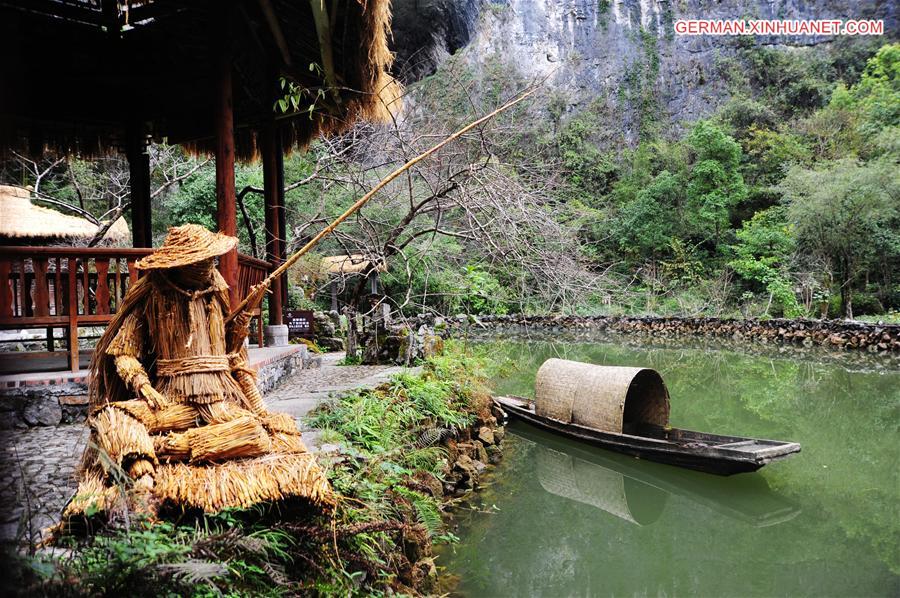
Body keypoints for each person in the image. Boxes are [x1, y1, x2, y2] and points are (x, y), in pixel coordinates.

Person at [63, 224, 331, 522]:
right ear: (180, 264)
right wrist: (142, 385)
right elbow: (123, 351)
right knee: (114, 418)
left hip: (219, 400)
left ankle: (171, 449)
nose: (208, 266)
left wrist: (259, 407)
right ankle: (143, 479)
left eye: (211, 259)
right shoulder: (154, 294)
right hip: (170, 401)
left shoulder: (217, 294)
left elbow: (236, 359)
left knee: (254, 431)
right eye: (202, 260)